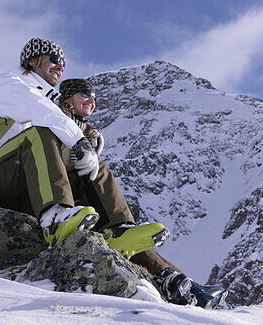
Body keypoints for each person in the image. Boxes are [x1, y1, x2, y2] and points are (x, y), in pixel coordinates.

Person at [0, 37, 221, 308]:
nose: (60, 67)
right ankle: (55, 216)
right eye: (55, 60)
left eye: (64, 64)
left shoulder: (49, 103)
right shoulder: (8, 84)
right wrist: (77, 140)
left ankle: (158, 267)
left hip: (21, 186)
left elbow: (61, 128)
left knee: (91, 170)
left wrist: (88, 146)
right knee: (41, 135)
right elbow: (39, 112)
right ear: (33, 61)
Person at [55, 76, 224, 309]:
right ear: (67, 98)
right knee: (99, 171)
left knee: (134, 246)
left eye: (94, 97)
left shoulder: (86, 134)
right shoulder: (53, 125)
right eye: (85, 94)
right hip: (60, 202)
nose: (91, 101)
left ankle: (182, 283)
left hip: (83, 207)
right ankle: (122, 230)